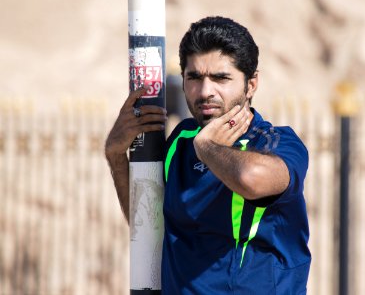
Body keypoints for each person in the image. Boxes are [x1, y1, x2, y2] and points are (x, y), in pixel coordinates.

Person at [105, 16, 311, 294]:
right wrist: (116, 155)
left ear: (251, 84)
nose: (204, 92)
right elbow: (148, 225)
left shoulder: (274, 142)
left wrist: (207, 147)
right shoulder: (181, 139)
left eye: (220, 78)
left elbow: (252, 180)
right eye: (194, 77)